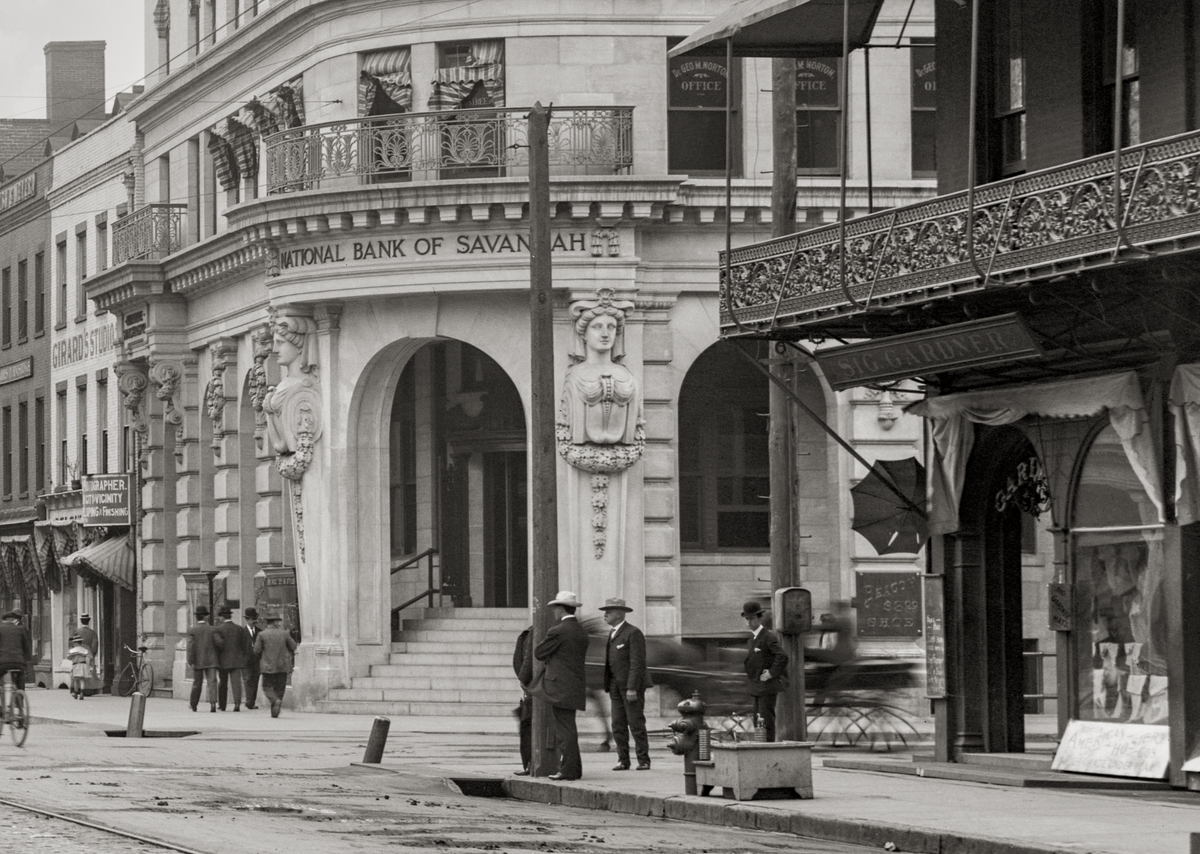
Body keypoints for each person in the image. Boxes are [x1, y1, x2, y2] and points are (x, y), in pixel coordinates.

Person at [559, 290, 641, 447]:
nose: (605, 334)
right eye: (597, 327)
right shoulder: (576, 374)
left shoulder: (625, 374)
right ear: (583, 334)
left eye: (611, 327)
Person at [533, 590, 589, 781]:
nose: (554, 612)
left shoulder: (558, 630)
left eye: (555, 608)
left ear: (560, 609)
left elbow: (539, 652)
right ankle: (574, 768)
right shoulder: (580, 630)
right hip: (575, 685)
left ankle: (567, 770)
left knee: (564, 731)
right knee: (569, 728)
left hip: (560, 687)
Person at [600, 597, 651, 771]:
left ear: (620, 614)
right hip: (615, 685)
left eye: (609, 611)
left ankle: (643, 760)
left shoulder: (632, 633)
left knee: (635, 723)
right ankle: (623, 760)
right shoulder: (613, 633)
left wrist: (632, 687)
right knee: (617, 724)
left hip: (630, 687)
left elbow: (637, 662)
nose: (605, 615)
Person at [741, 599, 789, 742]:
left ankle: (768, 748)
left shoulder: (768, 636)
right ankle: (761, 746)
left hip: (766, 687)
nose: (749, 622)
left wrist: (771, 673)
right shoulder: (753, 639)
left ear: (759, 618)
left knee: (765, 720)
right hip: (757, 686)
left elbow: (782, 656)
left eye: (752, 619)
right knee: (758, 720)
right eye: (747, 619)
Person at [254, 612, 297, 718]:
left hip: (268, 665)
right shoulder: (285, 633)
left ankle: (275, 701)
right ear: (275, 622)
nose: (279, 623)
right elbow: (293, 645)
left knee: (266, 686)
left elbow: (257, 650)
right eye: (278, 621)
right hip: (282, 665)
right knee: (280, 688)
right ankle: (276, 708)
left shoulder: (262, 634)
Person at [187, 605, 224, 713]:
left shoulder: (192, 630)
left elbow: (190, 647)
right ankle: (213, 703)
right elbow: (219, 643)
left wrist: (190, 661)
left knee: (197, 683)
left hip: (198, 661)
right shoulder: (212, 629)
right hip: (212, 660)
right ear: (206, 617)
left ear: (197, 617)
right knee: (212, 682)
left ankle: (193, 704)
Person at [216, 607, 252, 712]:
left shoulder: (219, 629)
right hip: (237, 660)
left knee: (223, 683)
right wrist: (243, 657)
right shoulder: (239, 628)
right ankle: (237, 703)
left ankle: (222, 705)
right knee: (236, 683)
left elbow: (218, 645)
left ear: (222, 617)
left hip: (223, 660)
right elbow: (245, 645)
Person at [512, 624, 533, 775]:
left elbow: (527, 659)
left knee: (528, 726)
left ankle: (529, 764)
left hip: (534, 687)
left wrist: (523, 679)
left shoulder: (532, 632)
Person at [0, 610, 31, 691]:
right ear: (14, 620)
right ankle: (20, 697)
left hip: (3, 663)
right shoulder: (21, 629)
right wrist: (27, 659)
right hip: (19, 662)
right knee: (20, 677)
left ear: (4, 620)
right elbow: (26, 646)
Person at [243, 607, 263, 710]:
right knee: (247, 680)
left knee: (255, 681)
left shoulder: (260, 632)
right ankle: (248, 701)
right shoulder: (242, 631)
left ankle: (252, 701)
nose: (253, 621)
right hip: (246, 661)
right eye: (250, 619)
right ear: (246, 620)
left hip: (256, 660)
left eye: (254, 619)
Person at [68, 635, 91, 699]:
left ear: (75, 643)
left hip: (75, 665)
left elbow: (69, 658)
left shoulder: (72, 651)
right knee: (82, 680)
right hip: (83, 665)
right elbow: (88, 659)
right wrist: (88, 666)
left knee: (75, 680)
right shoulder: (85, 650)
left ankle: (75, 693)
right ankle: (82, 693)